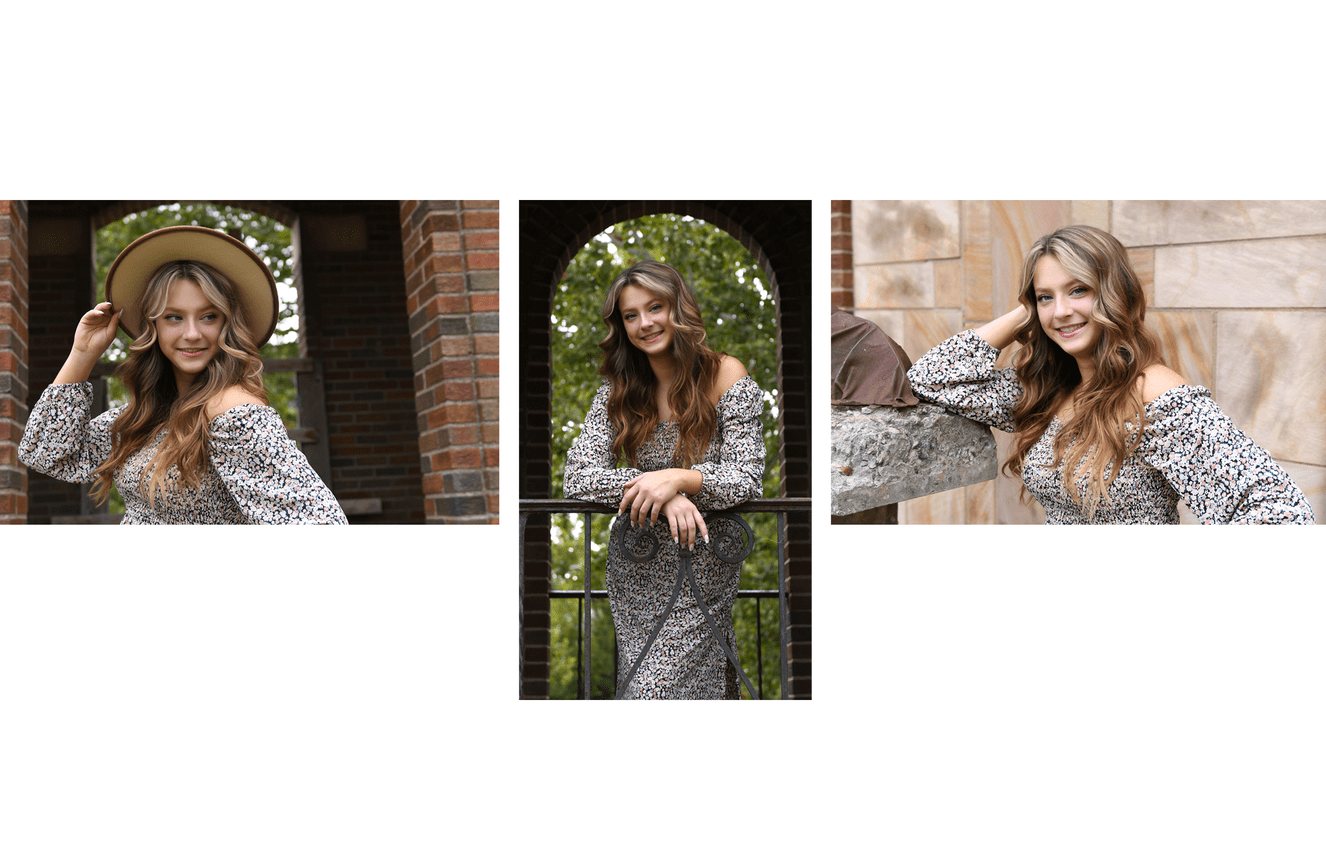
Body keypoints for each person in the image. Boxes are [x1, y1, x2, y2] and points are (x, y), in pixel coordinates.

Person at [907, 224, 1313, 525]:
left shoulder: (1151, 392)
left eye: (1078, 290)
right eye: (1046, 296)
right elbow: (931, 378)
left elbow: (1276, 510)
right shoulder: (1047, 390)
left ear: (1114, 294)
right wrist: (1027, 311)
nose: (1061, 310)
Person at [20, 225, 347, 525]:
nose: (192, 334)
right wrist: (82, 354)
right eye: (174, 317)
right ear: (154, 327)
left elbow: (320, 523)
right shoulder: (143, 413)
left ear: (226, 324)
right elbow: (45, 452)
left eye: (208, 316)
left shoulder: (232, 410)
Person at [564, 260, 765, 698]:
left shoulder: (727, 374)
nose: (644, 323)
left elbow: (747, 477)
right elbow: (577, 477)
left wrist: (679, 478)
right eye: (630, 315)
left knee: (659, 692)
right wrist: (659, 490)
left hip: (704, 564)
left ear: (679, 307)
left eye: (654, 307)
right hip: (637, 565)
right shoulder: (616, 391)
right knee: (648, 687)